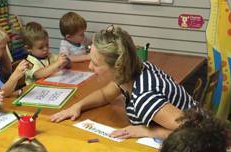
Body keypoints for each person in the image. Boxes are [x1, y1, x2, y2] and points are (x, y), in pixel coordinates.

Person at [51, 25, 197, 139]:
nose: (90, 67)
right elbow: (105, 95)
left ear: (117, 67)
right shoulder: (132, 72)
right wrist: (77, 106)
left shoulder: (144, 97)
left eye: (95, 63)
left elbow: (194, 131)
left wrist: (147, 131)